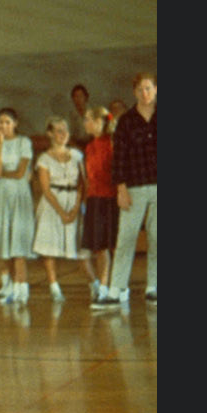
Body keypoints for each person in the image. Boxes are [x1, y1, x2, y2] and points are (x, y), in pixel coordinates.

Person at [106, 73, 158, 305]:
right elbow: (119, 158)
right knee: (126, 238)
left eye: (149, 88)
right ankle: (116, 289)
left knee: (157, 238)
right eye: (140, 90)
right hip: (134, 186)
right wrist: (121, 189)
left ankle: (154, 286)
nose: (145, 93)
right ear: (134, 93)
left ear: (155, 90)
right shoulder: (126, 121)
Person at [0, 109, 37, 303]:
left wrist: (6, 174)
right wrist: (1, 145)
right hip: (1, 194)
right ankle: (8, 285)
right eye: (0, 124)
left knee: (18, 243)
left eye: (7, 122)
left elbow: (21, 172)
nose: (3, 126)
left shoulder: (24, 142)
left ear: (15, 123)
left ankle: (22, 287)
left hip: (19, 194)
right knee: (2, 239)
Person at [31, 117, 83, 300]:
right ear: (50, 134)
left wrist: (76, 207)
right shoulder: (44, 158)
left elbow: (82, 183)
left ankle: (95, 284)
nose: (63, 134)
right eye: (59, 130)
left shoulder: (77, 155)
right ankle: (54, 286)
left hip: (73, 199)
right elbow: (45, 189)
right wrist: (62, 212)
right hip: (53, 203)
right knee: (49, 246)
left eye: (65, 130)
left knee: (79, 246)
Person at [78, 105, 120, 306]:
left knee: (112, 245)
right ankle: (103, 287)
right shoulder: (90, 146)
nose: (84, 123)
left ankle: (114, 287)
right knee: (100, 248)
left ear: (97, 122)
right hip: (95, 199)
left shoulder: (111, 143)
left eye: (87, 119)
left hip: (111, 199)